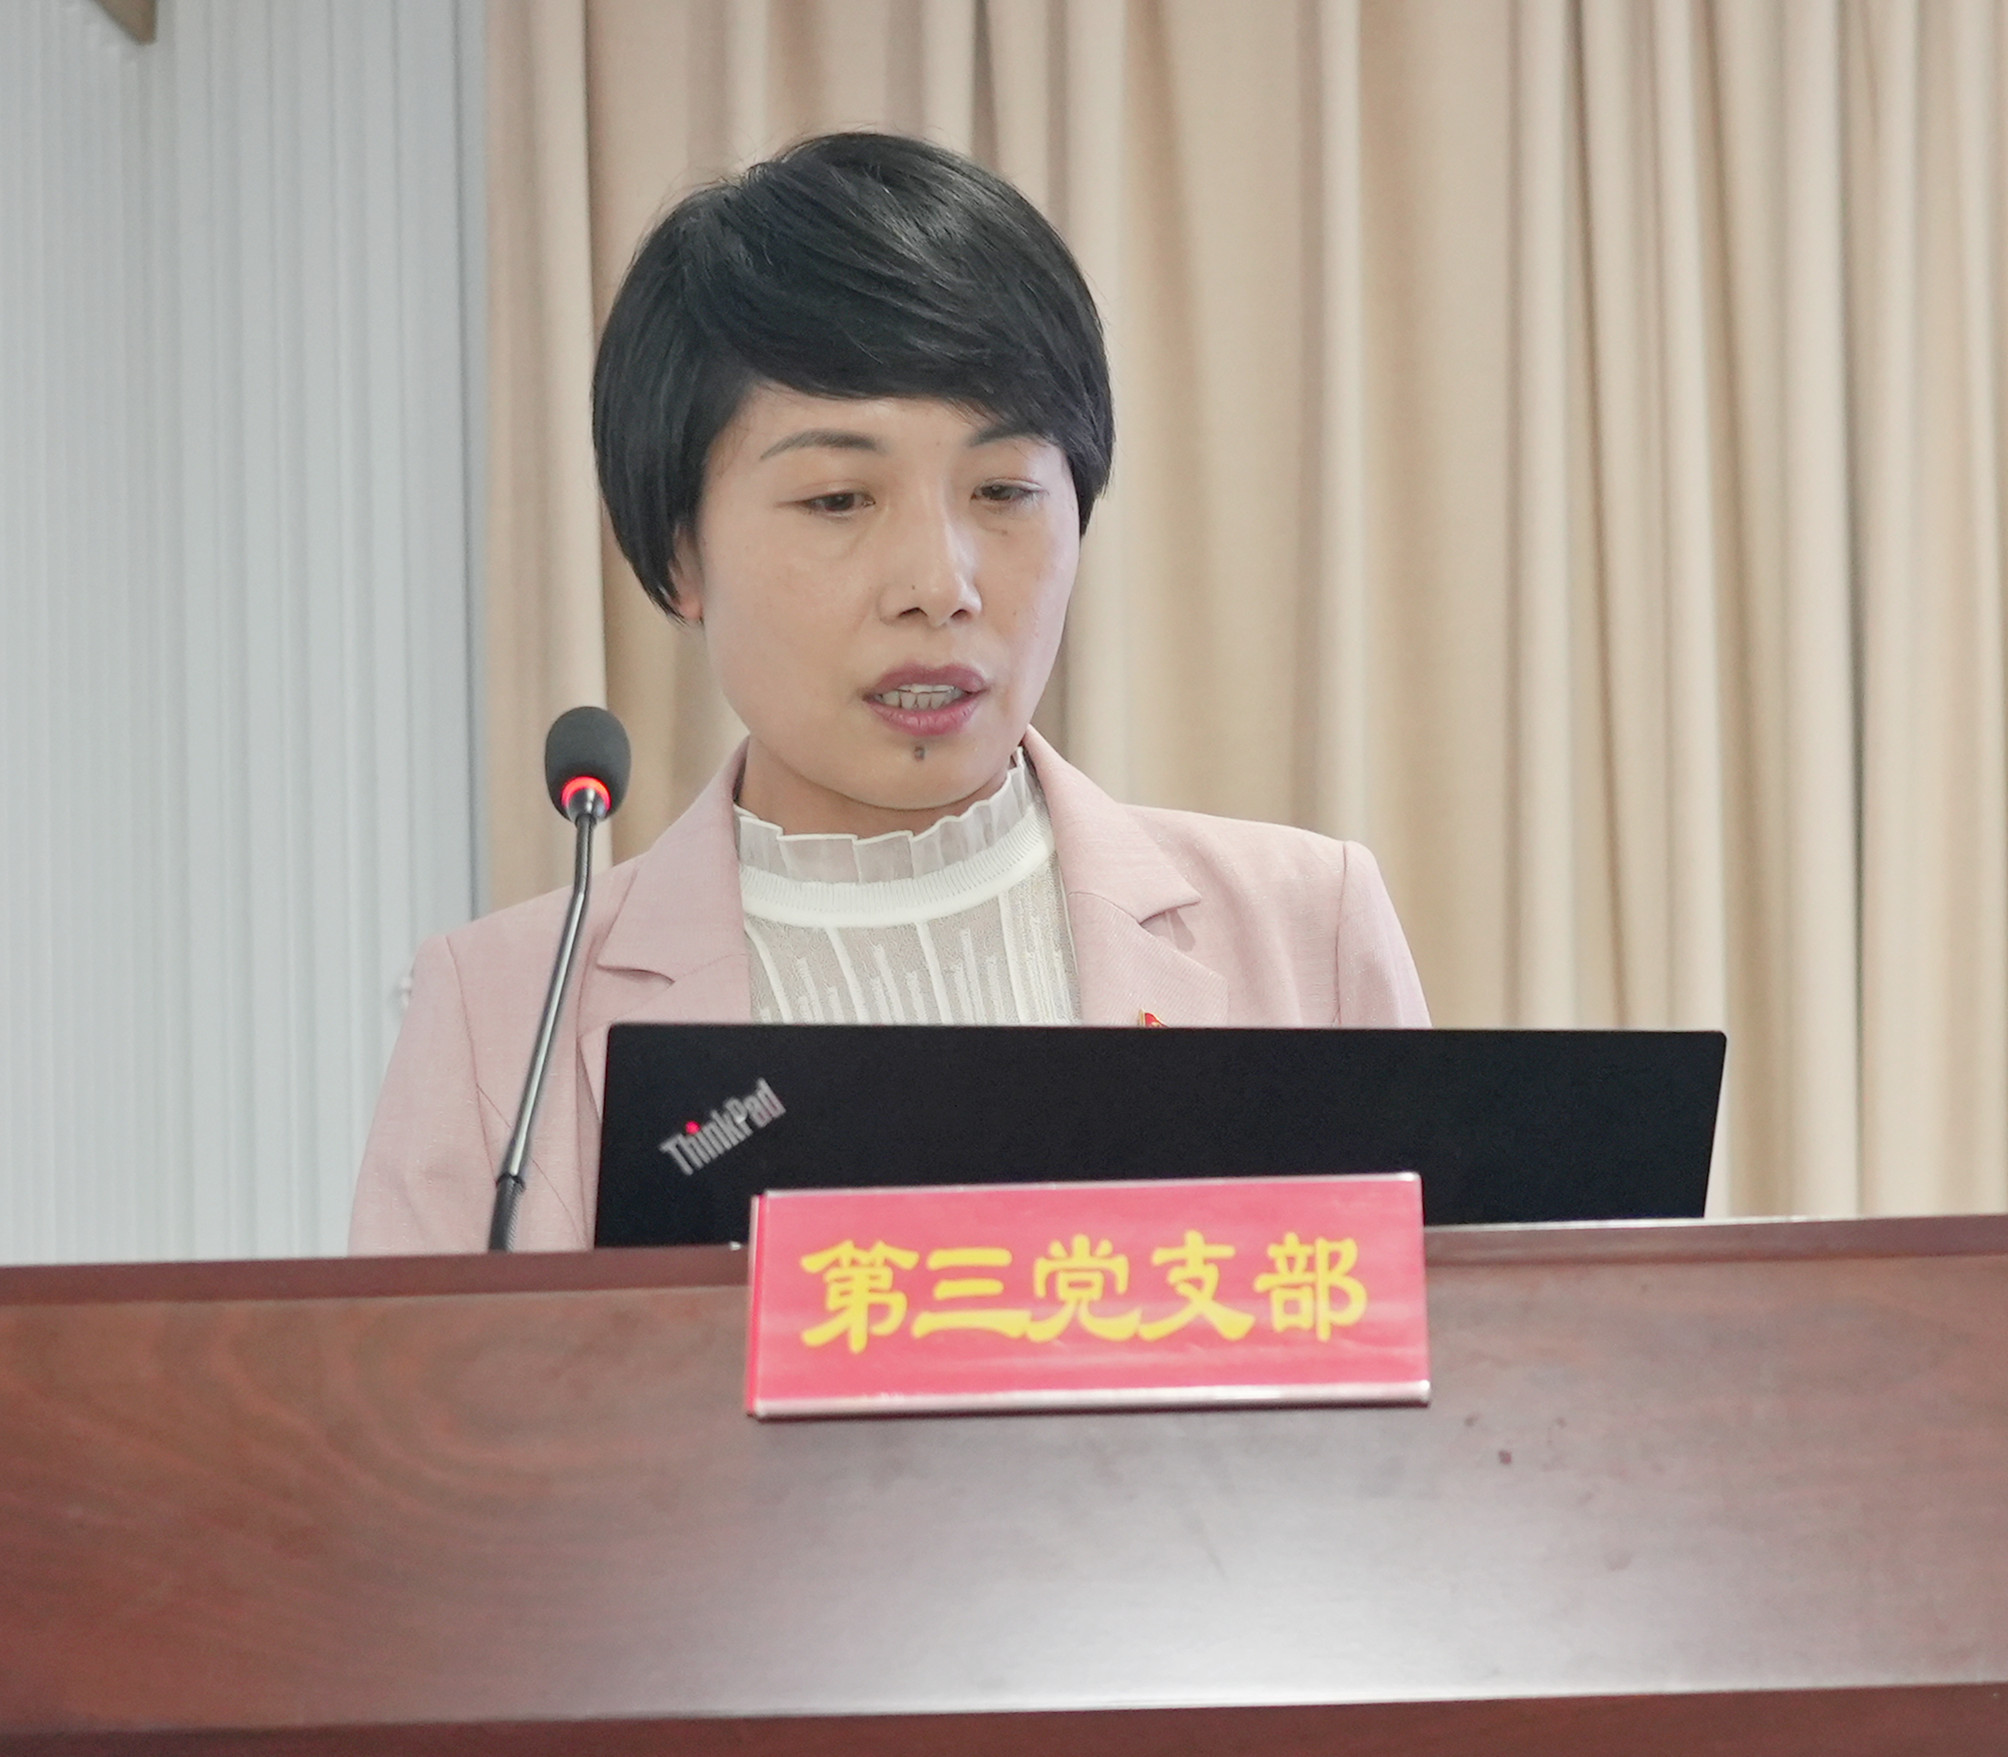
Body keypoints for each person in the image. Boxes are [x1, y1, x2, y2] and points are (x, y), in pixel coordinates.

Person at [350, 131, 1428, 1255]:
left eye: (1003, 489)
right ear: (679, 554)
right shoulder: (501, 1017)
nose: (938, 585)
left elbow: (1459, 1352)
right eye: (838, 499)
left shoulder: (1306, 930)